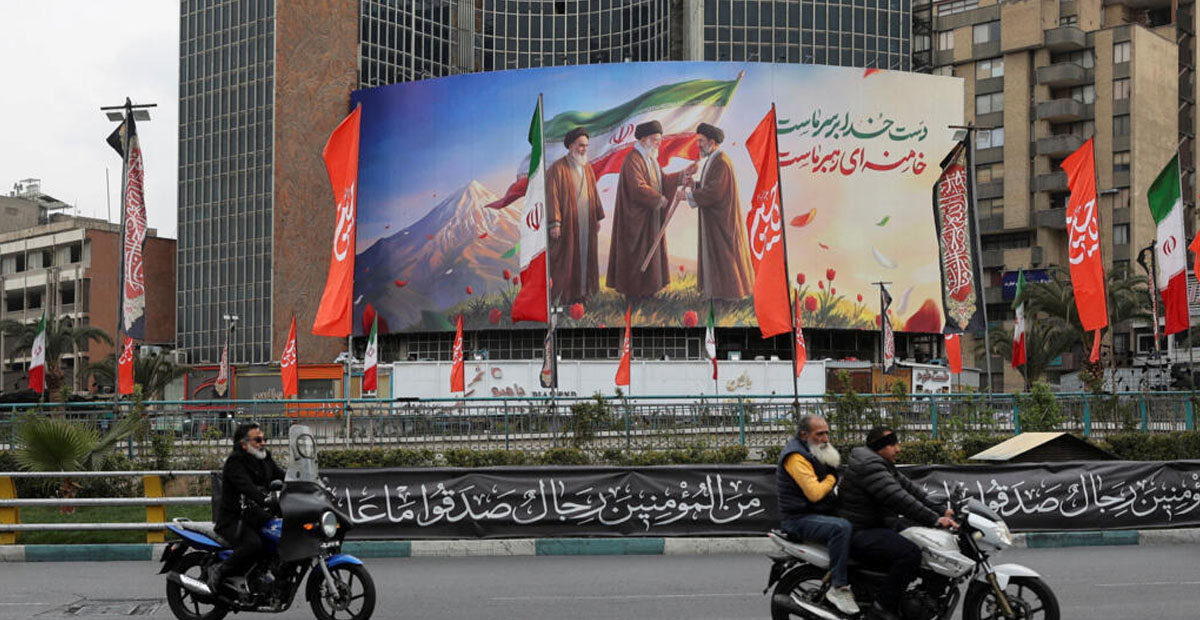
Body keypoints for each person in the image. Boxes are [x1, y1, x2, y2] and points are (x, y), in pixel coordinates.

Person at [837, 427, 957, 620]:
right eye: (893, 444)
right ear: (879, 447)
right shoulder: (870, 467)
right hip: (860, 530)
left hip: (877, 523)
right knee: (910, 553)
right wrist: (934, 519)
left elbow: (911, 490)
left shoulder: (880, 463)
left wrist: (942, 510)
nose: (898, 449)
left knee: (924, 538)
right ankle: (882, 607)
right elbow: (899, 499)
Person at [775, 414, 860, 616]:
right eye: (819, 434)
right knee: (841, 528)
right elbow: (814, 493)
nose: (825, 439)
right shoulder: (795, 457)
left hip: (815, 513)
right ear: (804, 435)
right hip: (798, 519)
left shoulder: (811, 452)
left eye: (827, 433)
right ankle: (839, 587)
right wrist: (831, 478)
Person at [605, 120, 697, 301]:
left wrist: (682, 176)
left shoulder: (651, 160)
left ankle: (648, 293)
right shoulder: (632, 159)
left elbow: (663, 181)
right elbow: (637, 187)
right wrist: (657, 198)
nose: (658, 144)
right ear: (643, 140)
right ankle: (633, 296)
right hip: (635, 221)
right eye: (655, 140)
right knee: (636, 255)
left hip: (650, 218)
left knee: (650, 254)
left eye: (659, 140)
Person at [209, 422, 286, 591]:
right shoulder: (235, 462)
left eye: (264, 439)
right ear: (244, 444)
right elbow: (248, 488)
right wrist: (266, 500)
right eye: (258, 440)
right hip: (234, 520)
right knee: (253, 544)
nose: (263, 443)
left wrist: (304, 483)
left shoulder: (264, 458)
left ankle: (265, 574)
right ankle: (220, 570)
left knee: (278, 537)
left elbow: (282, 475)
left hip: (257, 517)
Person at [684, 123, 754, 301]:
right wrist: (695, 186)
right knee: (716, 257)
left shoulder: (721, 162)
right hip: (715, 218)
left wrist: (687, 195)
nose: (698, 145)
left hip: (722, 220)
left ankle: (728, 298)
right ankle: (717, 295)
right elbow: (710, 186)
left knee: (724, 257)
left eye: (701, 141)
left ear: (712, 142)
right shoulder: (714, 159)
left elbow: (715, 192)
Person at [547, 127, 605, 304]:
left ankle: (584, 293)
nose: (584, 149)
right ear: (571, 146)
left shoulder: (587, 168)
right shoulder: (557, 168)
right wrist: (555, 222)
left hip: (586, 222)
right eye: (581, 145)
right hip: (568, 224)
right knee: (567, 259)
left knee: (586, 256)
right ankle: (567, 297)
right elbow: (552, 196)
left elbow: (593, 193)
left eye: (586, 145)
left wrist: (597, 217)